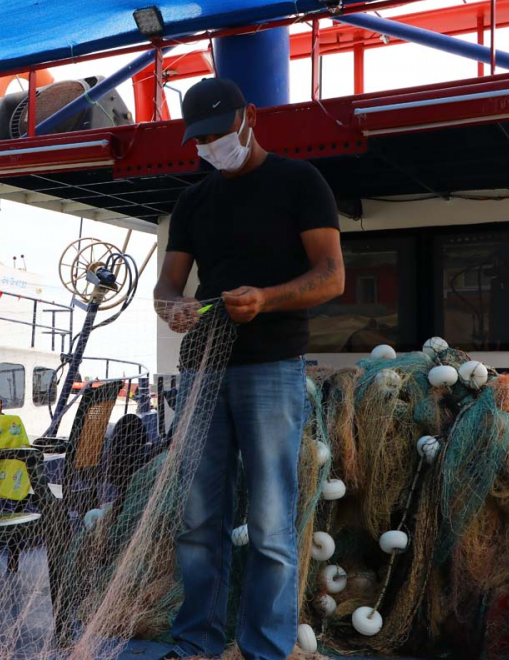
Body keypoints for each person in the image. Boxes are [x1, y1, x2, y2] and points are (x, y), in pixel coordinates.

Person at [153, 77, 345, 660]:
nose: (209, 146)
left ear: (249, 118)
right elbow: (168, 282)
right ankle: (196, 644)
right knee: (197, 517)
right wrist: (171, 307)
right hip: (203, 370)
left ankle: (264, 648)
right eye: (200, 139)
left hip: (271, 367)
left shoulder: (299, 182)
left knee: (269, 525)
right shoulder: (194, 201)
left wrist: (266, 298)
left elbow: (332, 275)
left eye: (216, 133)